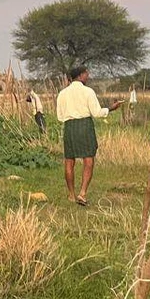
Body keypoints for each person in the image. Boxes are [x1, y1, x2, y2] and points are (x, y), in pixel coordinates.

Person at [56, 65, 122, 206]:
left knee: (69, 161)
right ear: (80, 76)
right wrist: (111, 108)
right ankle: (83, 193)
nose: (88, 76)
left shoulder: (62, 93)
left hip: (69, 127)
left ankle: (71, 195)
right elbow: (97, 113)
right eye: (86, 74)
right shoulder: (88, 91)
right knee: (88, 160)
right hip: (85, 126)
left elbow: (60, 117)